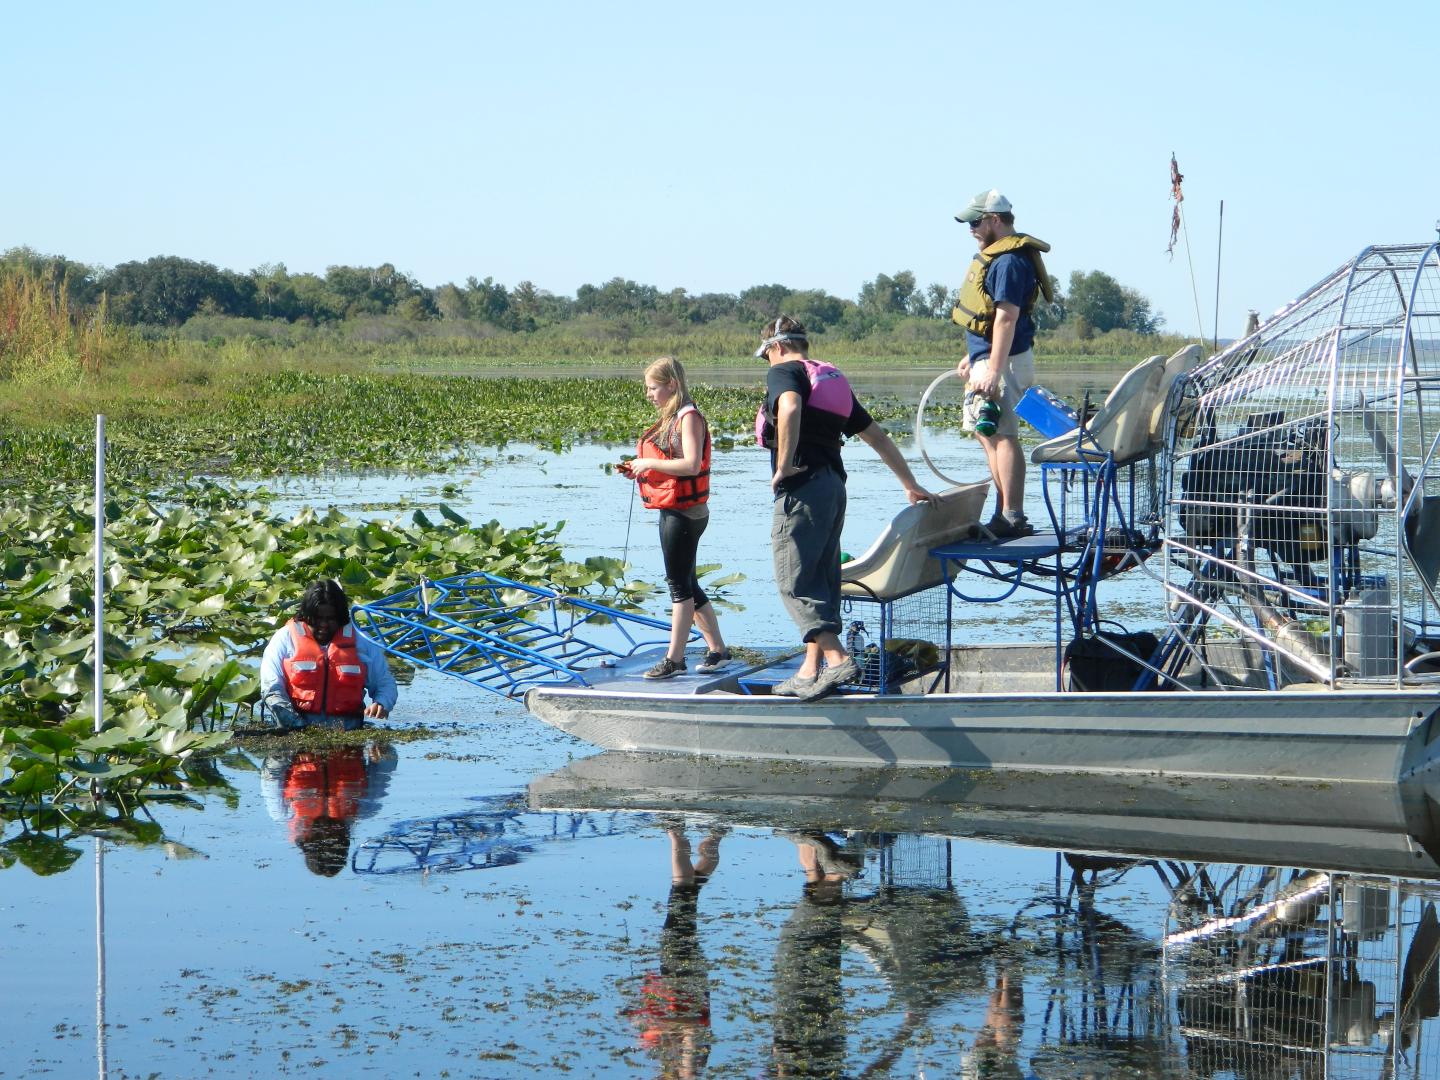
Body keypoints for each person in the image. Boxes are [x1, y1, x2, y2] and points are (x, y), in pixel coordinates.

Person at [757, 316, 932, 701]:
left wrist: (784, 465)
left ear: (778, 347)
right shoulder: (828, 380)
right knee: (822, 579)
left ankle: (836, 659)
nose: (768, 362)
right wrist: (910, 484)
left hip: (802, 491)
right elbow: (876, 436)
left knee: (795, 583)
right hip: (834, 488)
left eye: (766, 355)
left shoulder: (785, 371)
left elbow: (787, 409)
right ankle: (809, 671)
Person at [616, 357, 730, 680]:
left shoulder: (689, 417)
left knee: (679, 588)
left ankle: (674, 660)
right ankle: (718, 650)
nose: (649, 394)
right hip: (676, 510)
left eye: (653, 388)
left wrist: (647, 465)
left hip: (685, 514)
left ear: (672, 385)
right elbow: (673, 464)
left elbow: (692, 465)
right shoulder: (674, 417)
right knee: (690, 582)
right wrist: (638, 468)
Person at [952, 188, 1054, 539]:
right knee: (989, 433)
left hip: (1005, 363)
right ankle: (1003, 511)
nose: (971, 229)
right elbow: (990, 319)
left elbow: (1007, 318)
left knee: (1004, 435)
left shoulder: (1009, 261)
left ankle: (1012, 515)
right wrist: (975, 355)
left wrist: (993, 369)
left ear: (996, 220)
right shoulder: (1001, 257)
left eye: (976, 222)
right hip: (993, 357)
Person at [259, 578, 398, 730]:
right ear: (306, 615)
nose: (324, 625)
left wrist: (381, 703)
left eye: (331, 619)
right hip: (296, 727)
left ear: (341, 618)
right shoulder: (284, 639)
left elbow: (385, 684)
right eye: (318, 619)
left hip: (350, 730)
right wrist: (292, 722)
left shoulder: (362, 642)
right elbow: (271, 687)